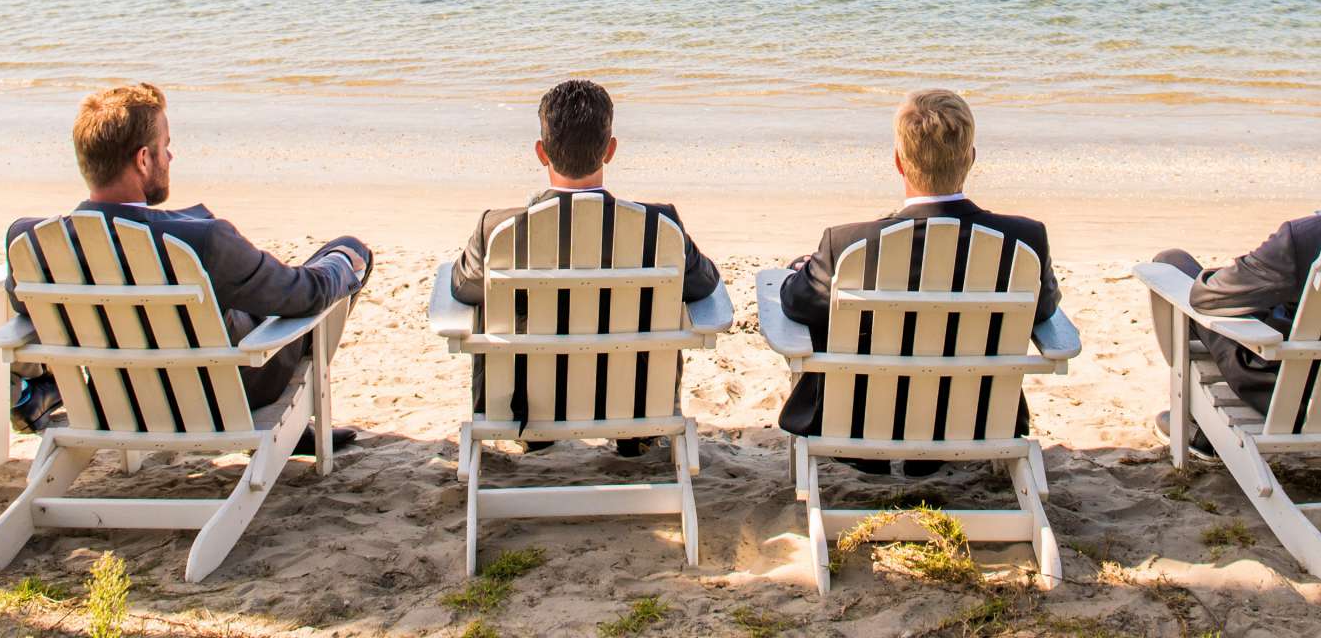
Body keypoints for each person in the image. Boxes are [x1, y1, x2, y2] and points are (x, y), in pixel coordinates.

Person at [7, 82, 372, 451]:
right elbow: (304, 295)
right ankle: (290, 429)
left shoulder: (30, 243)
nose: (170, 157)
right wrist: (343, 266)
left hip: (116, 397)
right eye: (165, 147)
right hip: (225, 396)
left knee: (224, 299)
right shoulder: (202, 240)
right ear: (143, 159)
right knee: (347, 252)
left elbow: (27, 309)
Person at [776, 88, 1062, 475]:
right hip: (978, 418)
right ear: (971, 158)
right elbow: (1043, 309)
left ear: (899, 162)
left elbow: (797, 303)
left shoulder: (848, 245)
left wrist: (802, 270)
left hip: (859, 422)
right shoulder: (1023, 241)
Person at [451, 78, 719, 452]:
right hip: (635, 403)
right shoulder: (660, 228)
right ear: (610, 150)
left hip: (526, 405)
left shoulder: (499, 231)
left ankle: (540, 441)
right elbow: (705, 285)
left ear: (541, 153)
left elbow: (462, 288)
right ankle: (633, 439)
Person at [1148, 83, 1321, 449]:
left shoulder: (1307, 238)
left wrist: (1253, 276)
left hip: (1297, 397)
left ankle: (1196, 420)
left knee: (1172, 264)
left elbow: (1207, 298)